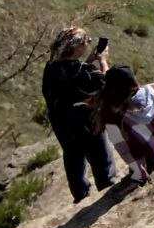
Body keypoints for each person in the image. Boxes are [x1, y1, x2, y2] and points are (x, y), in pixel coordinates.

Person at [42, 27, 117, 204]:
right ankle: (107, 187)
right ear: (76, 47)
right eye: (86, 41)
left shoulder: (51, 67)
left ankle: (80, 193)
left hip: (62, 122)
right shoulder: (79, 71)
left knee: (72, 155)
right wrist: (103, 60)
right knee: (101, 155)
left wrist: (91, 59)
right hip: (85, 121)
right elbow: (107, 81)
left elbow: (74, 76)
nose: (88, 44)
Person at [97, 67, 154, 186]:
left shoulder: (115, 117)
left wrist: (139, 172)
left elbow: (123, 148)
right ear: (134, 81)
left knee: (124, 134)